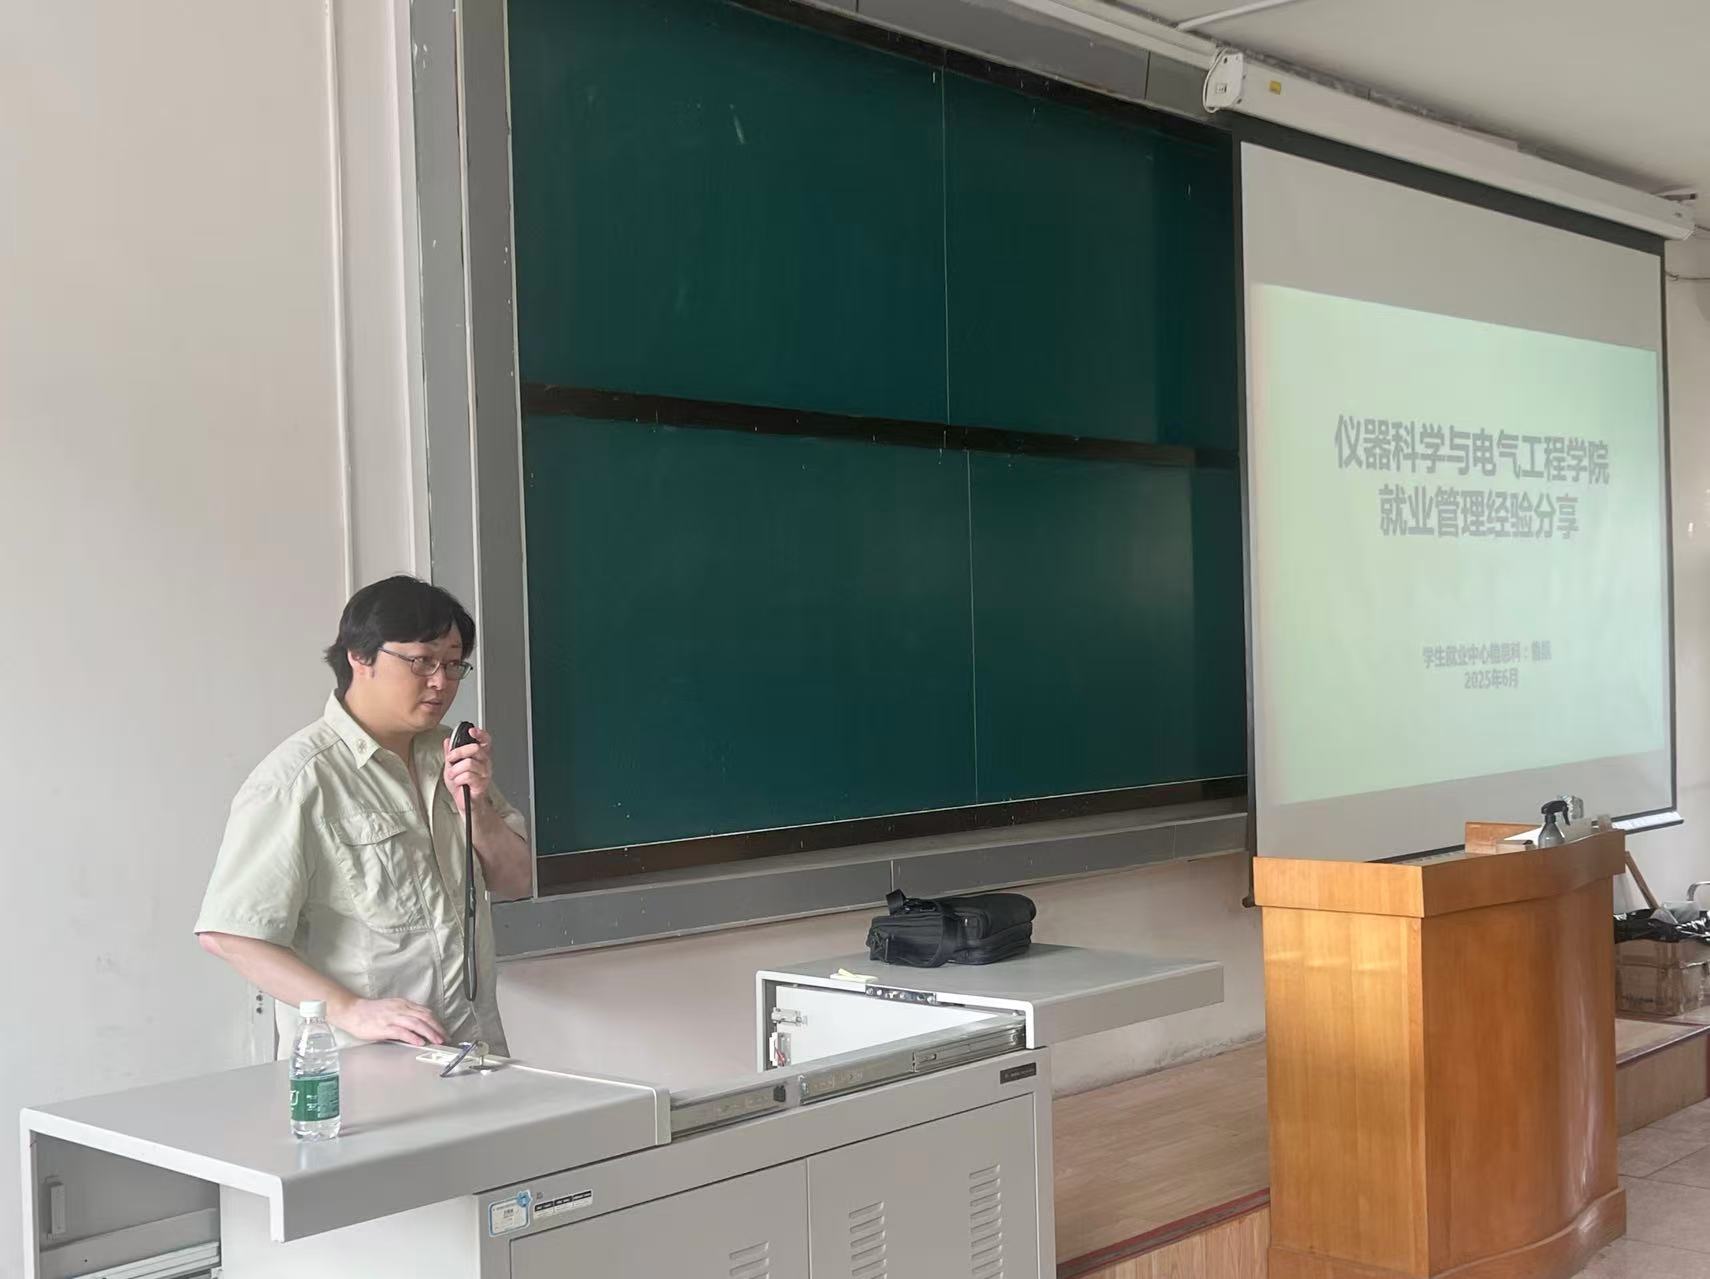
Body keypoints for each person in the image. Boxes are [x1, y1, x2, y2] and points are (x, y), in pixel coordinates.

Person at [195, 576, 532, 1055]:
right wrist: (350, 1010)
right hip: (360, 1067)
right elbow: (230, 934)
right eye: (422, 661)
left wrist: (476, 808)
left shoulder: (453, 756)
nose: (441, 681)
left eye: (454, 664)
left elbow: (517, 881)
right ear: (360, 656)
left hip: (471, 1053)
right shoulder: (299, 780)